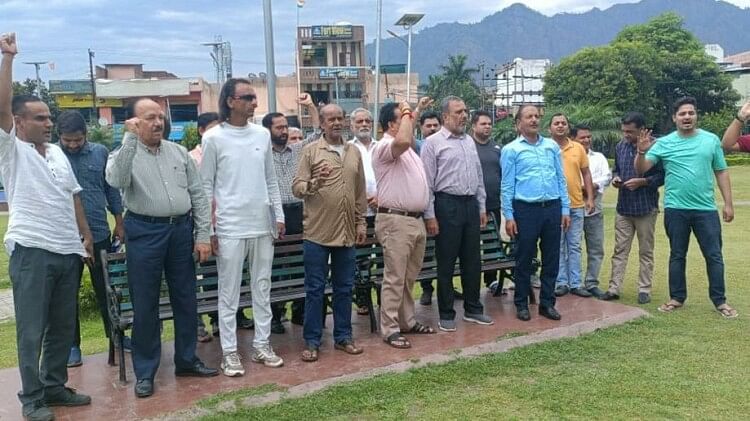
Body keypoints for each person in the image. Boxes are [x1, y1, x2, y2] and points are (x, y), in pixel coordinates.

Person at [1, 32, 94, 421]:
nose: (49, 123)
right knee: (31, 330)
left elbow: (73, 195)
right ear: (18, 122)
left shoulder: (56, 152)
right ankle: (32, 399)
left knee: (61, 326)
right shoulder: (11, 149)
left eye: (49, 117)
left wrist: (86, 235)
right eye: (40, 118)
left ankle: (55, 385)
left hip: (67, 250)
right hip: (32, 250)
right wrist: (7, 59)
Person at [106, 97, 218, 398]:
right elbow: (116, 179)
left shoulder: (178, 152)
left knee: (186, 298)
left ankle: (186, 359)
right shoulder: (121, 154)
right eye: (150, 118)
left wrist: (203, 235)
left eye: (161, 117)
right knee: (145, 305)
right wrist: (128, 139)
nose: (158, 123)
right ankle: (145, 371)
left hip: (180, 229)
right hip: (144, 231)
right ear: (133, 122)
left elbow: (198, 194)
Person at [201, 78, 286, 377]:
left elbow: (271, 179)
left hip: (261, 224)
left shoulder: (262, 135)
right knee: (229, 292)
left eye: (254, 97)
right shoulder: (213, 139)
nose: (254, 102)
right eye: (247, 97)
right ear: (230, 101)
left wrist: (279, 216)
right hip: (229, 227)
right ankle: (229, 353)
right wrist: (208, 231)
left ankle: (262, 345)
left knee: (263, 286)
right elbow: (205, 187)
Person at [635, 96, 737, 318]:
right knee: (677, 254)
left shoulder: (711, 141)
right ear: (675, 118)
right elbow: (642, 169)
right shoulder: (664, 143)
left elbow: (721, 171)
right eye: (682, 114)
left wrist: (728, 203)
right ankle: (677, 298)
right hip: (676, 208)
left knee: (714, 255)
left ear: (696, 115)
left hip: (706, 210)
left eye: (690, 113)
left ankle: (720, 301)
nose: (687, 117)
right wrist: (641, 151)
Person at [292, 104, 367, 362]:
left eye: (340, 118)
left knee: (344, 288)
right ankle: (312, 341)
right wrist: (315, 183)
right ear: (322, 124)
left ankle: (343, 337)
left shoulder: (353, 151)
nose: (336, 122)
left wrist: (361, 224)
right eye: (331, 119)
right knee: (315, 289)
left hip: (347, 234)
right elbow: (297, 187)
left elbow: (360, 193)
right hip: (317, 234)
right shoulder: (311, 151)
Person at [58, 110, 125, 367]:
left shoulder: (100, 152)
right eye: (68, 141)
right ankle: (72, 346)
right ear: (60, 137)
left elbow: (111, 189)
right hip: (65, 238)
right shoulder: (51, 156)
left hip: (98, 234)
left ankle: (116, 339)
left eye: (77, 140)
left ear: (85, 135)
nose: (73, 145)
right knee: (67, 295)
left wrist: (119, 221)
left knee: (106, 290)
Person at [421, 96, 494, 332]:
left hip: (470, 204)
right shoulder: (433, 143)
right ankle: (446, 312)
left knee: (473, 259)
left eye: (465, 111)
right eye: (458, 112)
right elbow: (427, 183)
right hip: (446, 205)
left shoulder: (469, 142)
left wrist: (481, 206)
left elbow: (478, 176)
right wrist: (430, 215)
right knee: (446, 261)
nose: (464, 115)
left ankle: (473, 308)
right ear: (445, 117)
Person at [372, 102, 435, 349]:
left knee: (409, 277)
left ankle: (407, 321)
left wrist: (414, 110)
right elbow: (403, 141)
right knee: (395, 277)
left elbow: (407, 138)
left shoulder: (408, 148)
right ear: (391, 124)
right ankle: (389, 328)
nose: (409, 121)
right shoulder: (385, 146)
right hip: (395, 220)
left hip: (414, 219)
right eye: (404, 118)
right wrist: (410, 112)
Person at [501, 104, 570, 322]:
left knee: (551, 259)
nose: (534, 120)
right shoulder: (511, 149)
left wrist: (565, 208)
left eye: (536, 116)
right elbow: (506, 186)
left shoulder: (551, 146)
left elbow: (560, 179)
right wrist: (509, 216)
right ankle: (522, 303)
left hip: (552, 207)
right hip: (525, 210)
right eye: (528, 117)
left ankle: (547, 303)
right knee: (524, 259)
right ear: (518, 123)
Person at [264, 93, 320, 333]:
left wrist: (310, 106)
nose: (284, 131)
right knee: (276, 269)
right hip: (273, 215)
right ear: (268, 130)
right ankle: (276, 315)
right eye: (279, 127)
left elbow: (318, 133)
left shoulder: (298, 150)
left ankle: (300, 311)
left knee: (303, 262)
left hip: (299, 212)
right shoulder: (261, 154)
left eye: (285, 126)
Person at [601, 112, 664, 304]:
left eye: (630, 131)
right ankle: (614, 288)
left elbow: (662, 176)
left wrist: (643, 182)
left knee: (646, 251)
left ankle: (644, 289)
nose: (626, 135)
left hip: (646, 207)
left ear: (642, 130)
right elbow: (617, 169)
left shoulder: (657, 147)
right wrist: (616, 178)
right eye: (624, 131)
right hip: (624, 207)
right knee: (620, 250)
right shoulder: (621, 146)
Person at [186, 112, 228, 343]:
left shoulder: (224, 154)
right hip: (201, 228)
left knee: (225, 276)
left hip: (226, 224)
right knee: (198, 277)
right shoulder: (192, 158)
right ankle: (199, 324)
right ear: (202, 131)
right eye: (213, 128)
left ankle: (223, 320)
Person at [548, 113, 594, 298]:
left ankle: (576, 283)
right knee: (557, 245)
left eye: (563, 123)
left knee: (574, 245)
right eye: (556, 123)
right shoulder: (545, 147)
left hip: (576, 204)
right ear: (549, 128)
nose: (560, 126)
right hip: (554, 206)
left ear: (568, 127)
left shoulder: (578, 148)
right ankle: (561, 282)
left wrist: (589, 198)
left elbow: (587, 174)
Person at [571, 124, 611, 298]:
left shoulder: (599, 157)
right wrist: (581, 187)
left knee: (595, 248)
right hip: (573, 210)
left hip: (594, 210)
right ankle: (575, 282)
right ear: (574, 139)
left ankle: (592, 282)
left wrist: (592, 185)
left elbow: (607, 176)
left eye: (589, 136)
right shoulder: (568, 156)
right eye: (582, 137)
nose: (587, 140)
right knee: (573, 247)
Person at [348, 107, 378, 316]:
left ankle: (385, 299)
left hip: (382, 210)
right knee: (360, 259)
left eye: (367, 121)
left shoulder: (381, 146)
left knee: (385, 255)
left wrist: (381, 197)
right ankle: (363, 300)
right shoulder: (347, 148)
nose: (364, 124)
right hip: (358, 213)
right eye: (359, 121)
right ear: (352, 125)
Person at [471, 110, 503, 289]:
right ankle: (472, 280)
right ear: (474, 125)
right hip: (472, 206)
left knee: (492, 242)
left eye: (489, 124)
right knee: (473, 245)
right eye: (483, 123)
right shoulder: (468, 146)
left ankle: (491, 280)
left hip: (494, 204)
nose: (487, 126)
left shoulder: (497, 148)